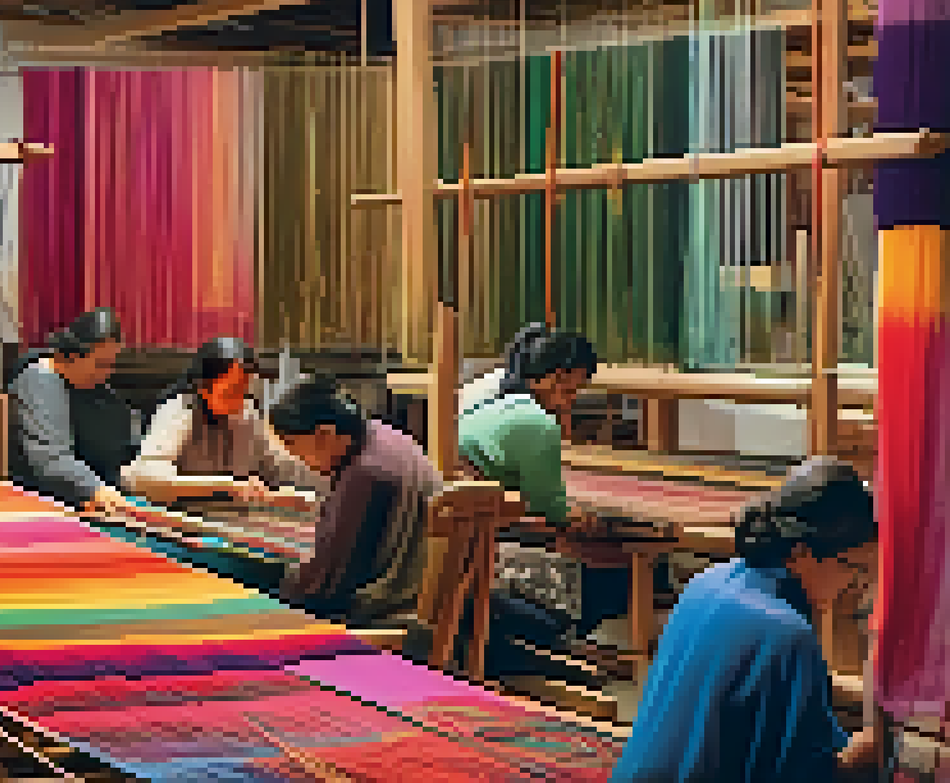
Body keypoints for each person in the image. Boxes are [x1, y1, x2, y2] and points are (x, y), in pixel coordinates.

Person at [265, 377, 571, 680]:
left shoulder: (366, 475)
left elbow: (327, 585)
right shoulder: (386, 436)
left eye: (292, 445)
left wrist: (269, 603)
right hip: (432, 595)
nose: (294, 457)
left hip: (397, 609)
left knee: (268, 593)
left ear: (324, 434)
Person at [612, 457, 886, 783]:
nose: (855, 585)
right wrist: (873, 750)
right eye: (853, 567)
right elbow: (805, 774)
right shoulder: (788, 635)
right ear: (800, 552)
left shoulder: (705, 582)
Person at [456, 322, 650, 644]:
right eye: (573, 389)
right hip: (497, 552)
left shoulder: (486, 407)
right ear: (558, 376)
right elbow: (552, 510)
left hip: (472, 547)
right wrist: (592, 520)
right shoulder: (538, 423)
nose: (573, 400)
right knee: (627, 575)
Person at [122, 337, 321, 508]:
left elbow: (281, 467)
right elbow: (145, 476)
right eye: (231, 392)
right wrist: (226, 485)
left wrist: (330, 484)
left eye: (245, 391)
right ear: (203, 388)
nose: (240, 401)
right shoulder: (180, 411)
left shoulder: (247, 415)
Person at [7, 307, 143, 517]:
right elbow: (51, 458)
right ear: (71, 356)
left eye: (110, 365)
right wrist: (96, 489)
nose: (107, 373)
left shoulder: (88, 382)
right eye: (100, 365)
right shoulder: (40, 380)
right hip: (51, 506)